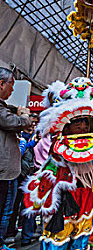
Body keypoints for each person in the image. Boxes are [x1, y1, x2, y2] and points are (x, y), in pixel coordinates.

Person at [0, 68, 31, 250]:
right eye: (11, 84)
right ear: (1, 84)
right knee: (4, 209)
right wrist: (24, 116)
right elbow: (13, 122)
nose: (13, 89)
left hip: (8, 169)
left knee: (7, 208)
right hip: (3, 170)